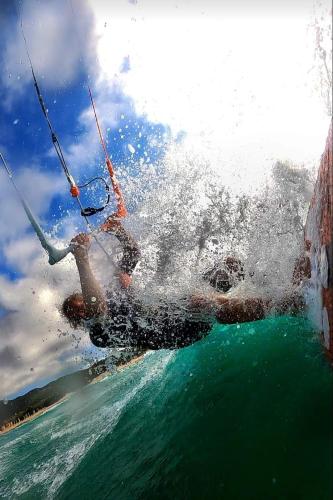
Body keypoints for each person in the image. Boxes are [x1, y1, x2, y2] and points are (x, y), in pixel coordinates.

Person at [62, 216, 304, 350]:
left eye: (81, 302)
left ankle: (281, 283)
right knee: (198, 302)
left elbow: (133, 253)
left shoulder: (116, 292)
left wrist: (119, 231)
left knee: (229, 265)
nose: (84, 308)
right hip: (174, 332)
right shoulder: (98, 334)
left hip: (173, 305)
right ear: (78, 322)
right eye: (78, 312)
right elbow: (98, 308)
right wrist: (82, 257)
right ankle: (292, 303)